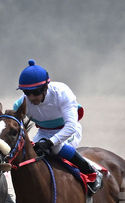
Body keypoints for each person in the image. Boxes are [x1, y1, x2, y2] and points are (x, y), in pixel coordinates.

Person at [13, 59, 102, 192]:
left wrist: (50, 143)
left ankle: (91, 171)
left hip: (68, 131)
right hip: (43, 133)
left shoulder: (62, 93)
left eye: (36, 92)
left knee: (56, 148)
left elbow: (71, 126)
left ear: (45, 88)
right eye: (26, 93)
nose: (31, 98)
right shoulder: (20, 104)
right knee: (28, 155)